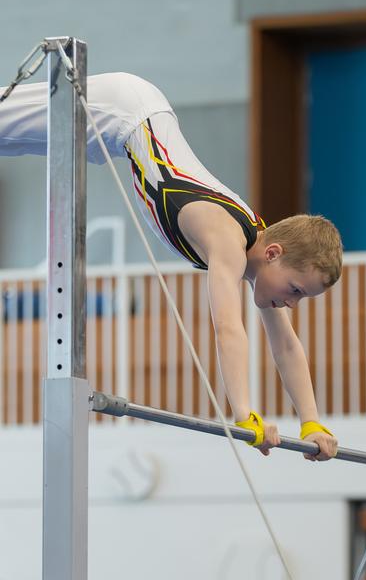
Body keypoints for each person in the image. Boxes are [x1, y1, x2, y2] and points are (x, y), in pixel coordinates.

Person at [0, 72, 341, 459]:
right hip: (125, 110)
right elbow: (228, 328)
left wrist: (312, 423)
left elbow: (286, 345)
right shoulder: (228, 243)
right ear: (274, 253)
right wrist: (245, 414)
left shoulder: (258, 254)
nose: (292, 304)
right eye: (295, 290)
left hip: (125, 130)